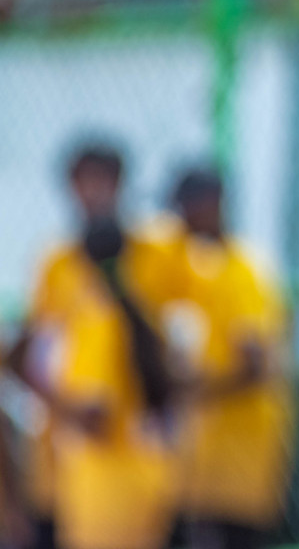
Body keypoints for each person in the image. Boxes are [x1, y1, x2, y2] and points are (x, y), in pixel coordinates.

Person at [4, 141, 180, 549]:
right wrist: (65, 408)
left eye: (104, 180)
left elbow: (176, 350)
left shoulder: (157, 252)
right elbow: (25, 357)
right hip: (65, 464)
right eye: (84, 181)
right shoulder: (57, 263)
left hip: (140, 458)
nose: (94, 192)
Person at [166, 167, 292, 549]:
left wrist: (186, 392)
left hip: (236, 472)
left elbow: (255, 369)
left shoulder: (245, 271)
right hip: (198, 473)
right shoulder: (198, 269)